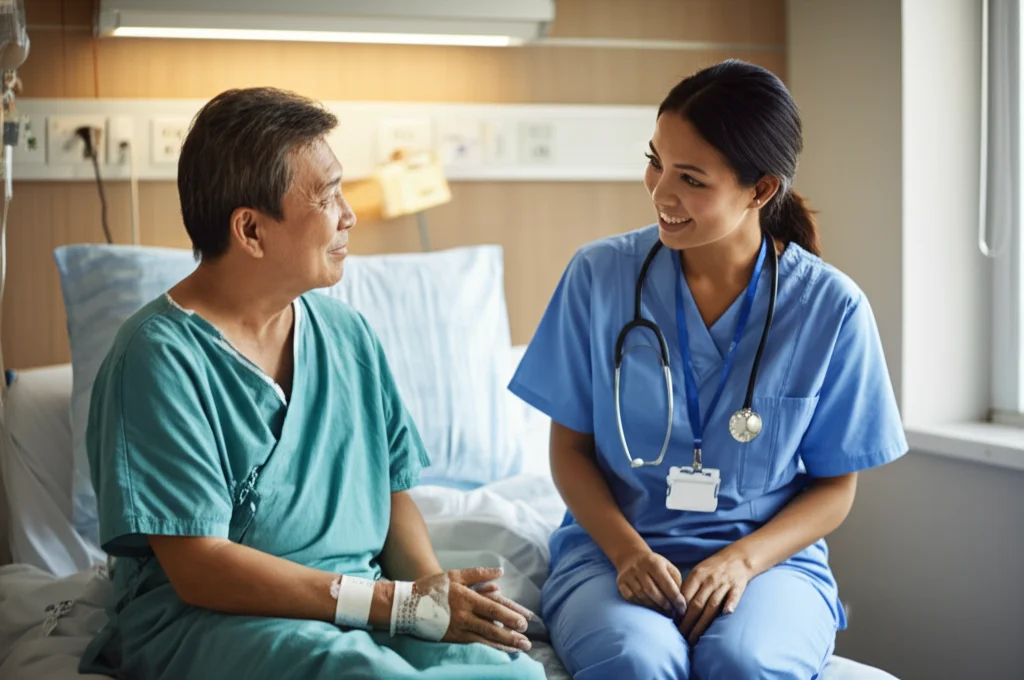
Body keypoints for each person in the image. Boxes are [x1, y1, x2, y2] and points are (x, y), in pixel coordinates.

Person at [79, 87, 545, 680]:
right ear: (250, 230)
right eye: (327, 197)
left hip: (364, 608)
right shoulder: (158, 359)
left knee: (517, 675)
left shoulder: (347, 335)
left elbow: (393, 491)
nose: (348, 215)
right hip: (213, 616)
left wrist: (430, 598)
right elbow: (200, 569)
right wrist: (394, 605)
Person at [508, 59, 908, 679]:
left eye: (691, 178)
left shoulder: (830, 308)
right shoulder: (599, 277)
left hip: (766, 560)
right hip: (613, 549)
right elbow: (570, 450)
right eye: (655, 161)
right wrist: (627, 553)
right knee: (637, 660)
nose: (660, 191)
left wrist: (744, 561)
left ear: (761, 190)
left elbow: (835, 486)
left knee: (745, 661)